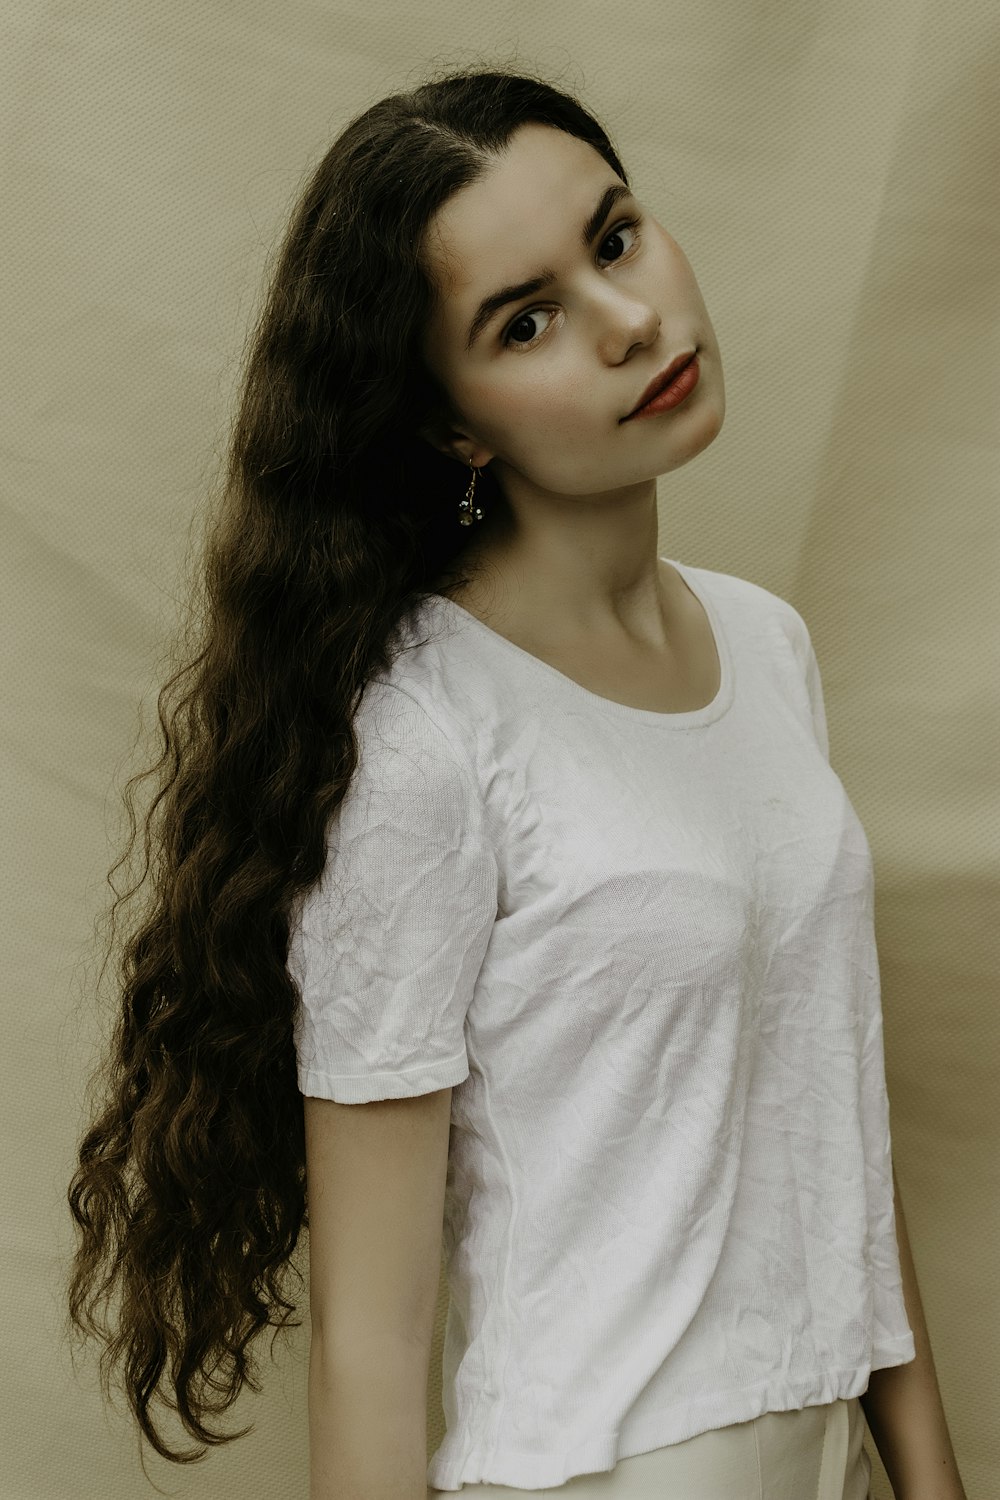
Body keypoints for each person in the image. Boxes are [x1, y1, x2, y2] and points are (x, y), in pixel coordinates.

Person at [64, 65, 919, 1500]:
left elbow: (839, 1139)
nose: (629, 321)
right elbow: (372, 1345)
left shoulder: (769, 648)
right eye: (526, 322)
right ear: (454, 425)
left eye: (616, 236)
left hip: (826, 1439)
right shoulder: (422, 744)